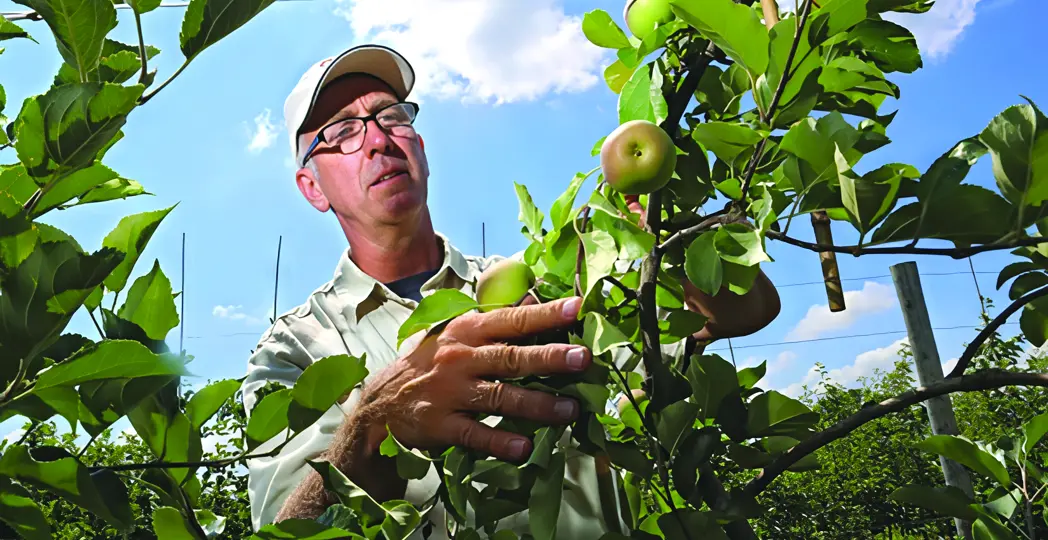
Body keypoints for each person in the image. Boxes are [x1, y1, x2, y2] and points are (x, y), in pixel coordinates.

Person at [241, 43, 781, 538]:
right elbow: (288, 529)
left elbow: (741, 313)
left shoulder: (542, 282)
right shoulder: (294, 349)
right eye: (341, 133)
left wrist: (666, 231)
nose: (379, 139)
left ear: (420, 146)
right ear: (312, 187)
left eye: (391, 116)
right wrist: (374, 427)